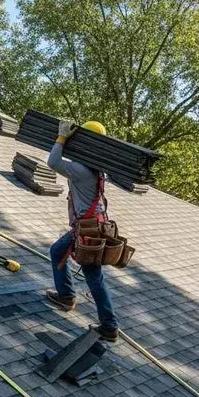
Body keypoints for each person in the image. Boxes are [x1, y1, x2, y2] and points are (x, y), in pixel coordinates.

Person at [46, 119, 119, 341]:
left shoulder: (81, 170)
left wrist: (62, 137)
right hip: (95, 227)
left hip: (88, 231)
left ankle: (109, 326)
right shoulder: (98, 169)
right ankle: (66, 296)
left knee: (93, 276)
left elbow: (53, 161)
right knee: (59, 252)